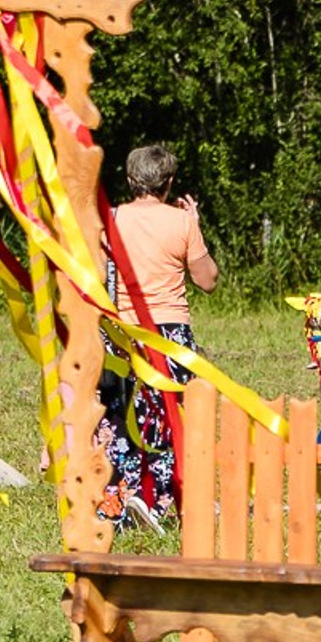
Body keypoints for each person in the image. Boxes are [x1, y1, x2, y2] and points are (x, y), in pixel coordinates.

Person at [99, 142, 220, 528]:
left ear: (130, 180)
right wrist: (194, 224)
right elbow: (208, 280)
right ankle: (159, 497)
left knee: (119, 419)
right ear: (168, 182)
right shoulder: (181, 222)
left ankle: (118, 500)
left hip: (122, 336)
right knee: (167, 419)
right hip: (169, 337)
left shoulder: (111, 219)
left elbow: (97, 279)